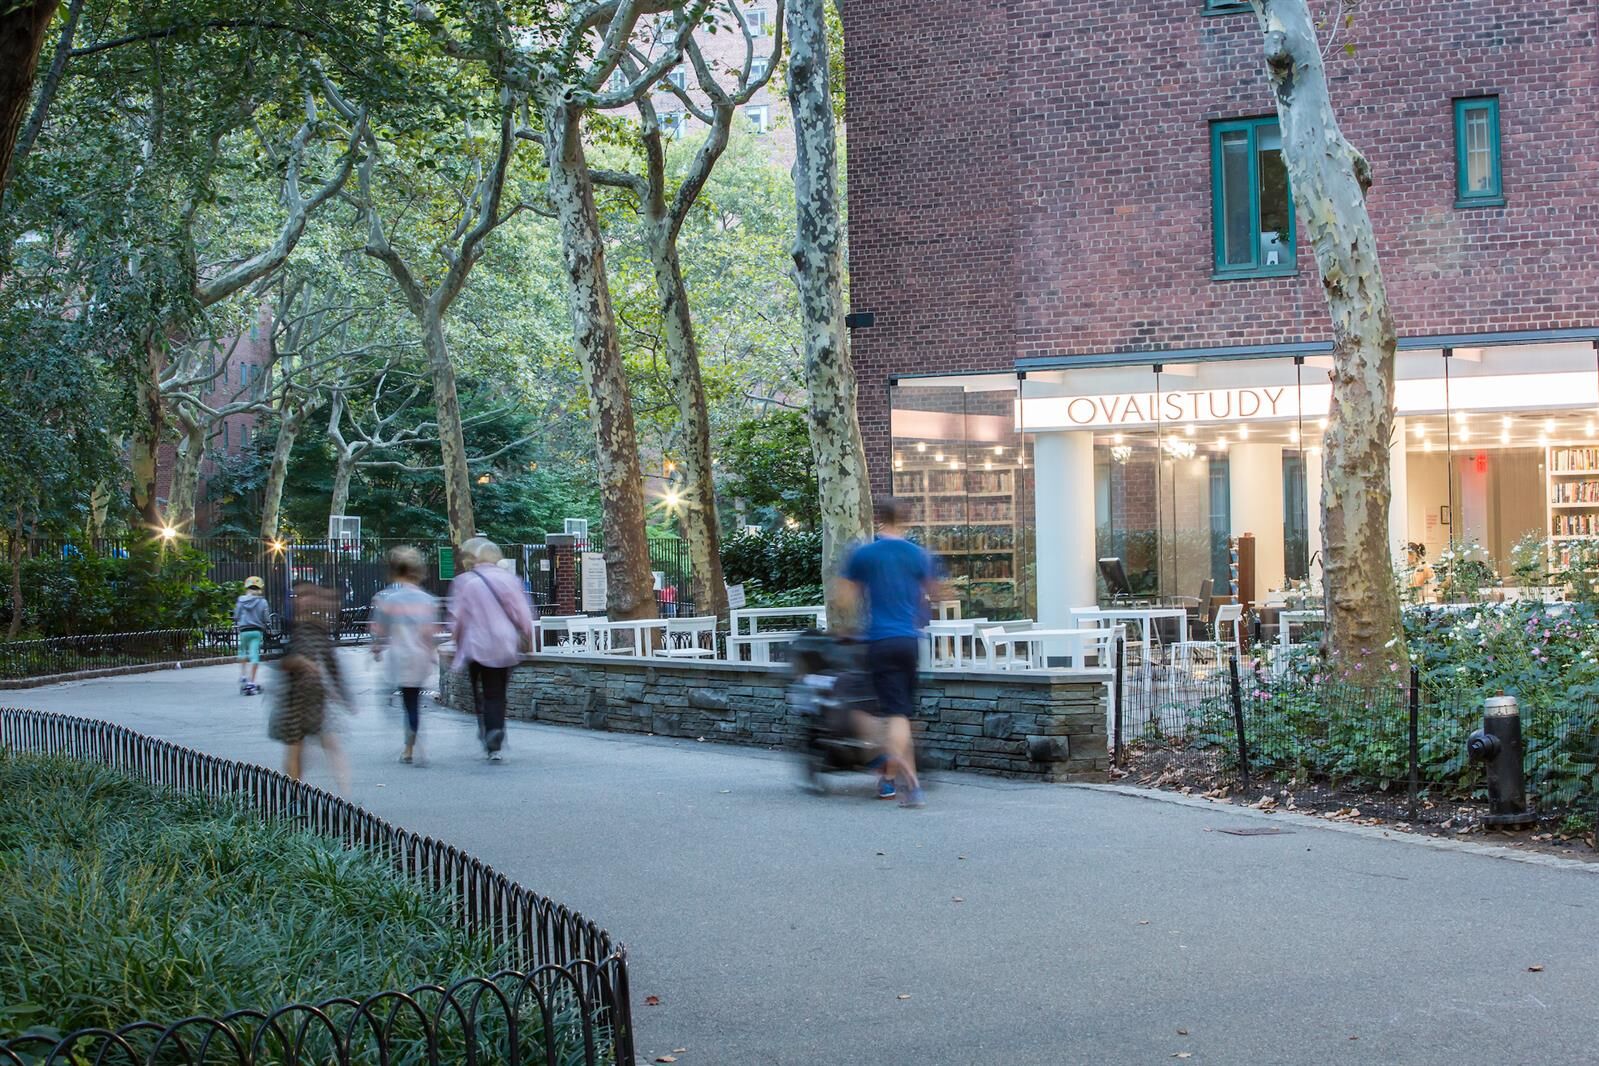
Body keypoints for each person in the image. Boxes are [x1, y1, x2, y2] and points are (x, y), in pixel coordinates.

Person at [836, 497, 944, 808]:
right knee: (900, 713)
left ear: (879, 518)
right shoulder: (918, 554)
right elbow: (936, 592)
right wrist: (918, 610)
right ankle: (891, 779)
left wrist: (847, 628)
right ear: (905, 520)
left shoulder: (865, 554)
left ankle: (908, 781)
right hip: (909, 641)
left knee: (886, 714)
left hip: (880, 641)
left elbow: (844, 598)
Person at [448, 537, 534, 761]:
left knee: (479, 690)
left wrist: (456, 640)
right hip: (504, 643)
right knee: (497, 691)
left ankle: (486, 729)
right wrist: (529, 639)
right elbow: (523, 614)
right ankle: (495, 731)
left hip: (476, 644)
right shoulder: (510, 580)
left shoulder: (467, 583)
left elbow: (458, 618)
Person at [269, 582, 353, 791]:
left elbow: (332, 664)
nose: (302, 600)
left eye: (305, 596)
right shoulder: (291, 628)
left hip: (314, 697)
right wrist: (300, 662)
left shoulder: (317, 630)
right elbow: (282, 661)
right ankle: (295, 794)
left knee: (327, 743)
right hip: (294, 697)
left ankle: (345, 793)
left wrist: (342, 694)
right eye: (298, 597)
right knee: (296, 748)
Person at [371, 547, 440, 765]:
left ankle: (409, 748)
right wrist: (432, 653)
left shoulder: (389, 599)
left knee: (406, 702)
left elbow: (380, 629)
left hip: (400, 656)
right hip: (420, 657)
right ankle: (413, 743)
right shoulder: (428, 600)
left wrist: (376, 648)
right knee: (414, 701)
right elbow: (429, 632)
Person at [233, 576, 272, 695]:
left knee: (243, 652)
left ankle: (244, 675)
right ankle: (252, 682)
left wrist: (239, 620)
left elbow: (236, 615)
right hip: (256, 631)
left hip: (244, 630)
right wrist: (267, 624)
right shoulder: (263, 601)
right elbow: (266, 617)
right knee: (254, 655)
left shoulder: (241, 600)